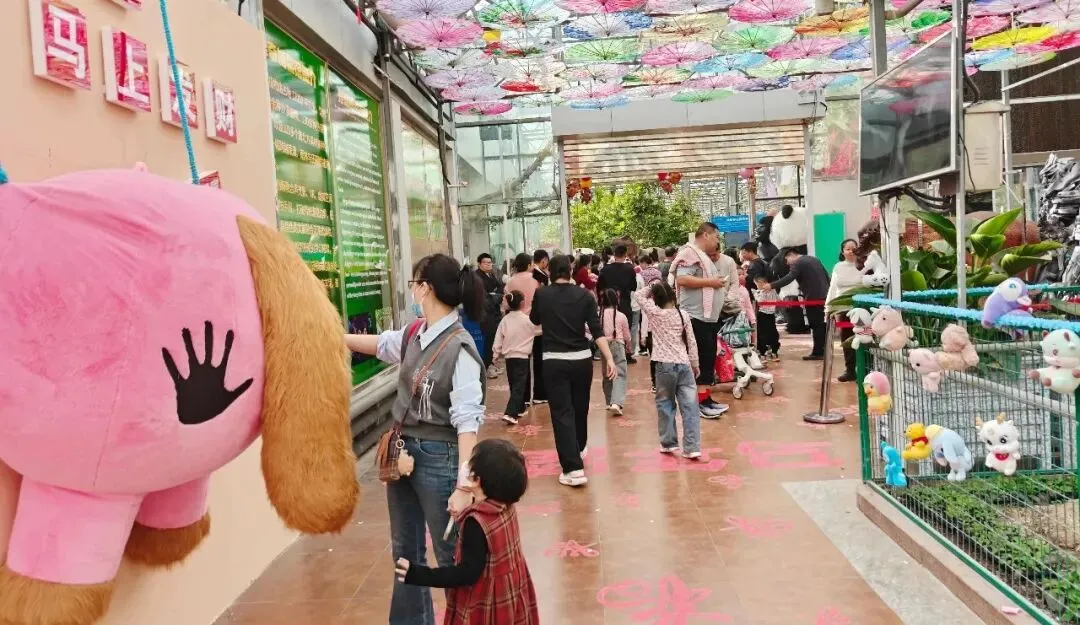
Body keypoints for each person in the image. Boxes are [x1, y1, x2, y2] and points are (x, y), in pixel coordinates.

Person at [344, 253, 486, 625]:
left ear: (426, 288)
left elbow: (467, 425)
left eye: (413, 284)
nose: (412, 291)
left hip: (441, 457)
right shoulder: (414, 334)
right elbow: (381, 344)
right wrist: (334, 337)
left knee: (450, 554)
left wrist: (464, 486)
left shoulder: (460, 348)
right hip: (402, 453)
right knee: (405, 552)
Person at [395, 438, 539, 625]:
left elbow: (466, 573)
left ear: (477, 480)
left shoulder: (475, 523)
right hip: (510, 593)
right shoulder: (506, 506)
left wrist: (417, 574)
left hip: (486, 604)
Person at [530, 255, 617, 487]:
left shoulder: (542, 294)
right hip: (582, 360)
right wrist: (609, 358)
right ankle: (578, 447)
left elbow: (535, 320)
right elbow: (596, 329)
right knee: (580, 408)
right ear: (570, 271)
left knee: (562, 413)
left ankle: (572, 468)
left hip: (554, 361)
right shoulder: (584, 295)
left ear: (550, 272)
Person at [634, 282, 701, 459]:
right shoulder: (683, 314)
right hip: (684, 364)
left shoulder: (655, 313)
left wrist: (652, 286)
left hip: (663, 365)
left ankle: (669, 443)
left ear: (656, 299)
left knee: (665, 404)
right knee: (690, 406)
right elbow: (691, 341)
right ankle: (692, 447)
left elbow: (638, 295)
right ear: (673, 296)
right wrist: (695, 363)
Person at [671, 222, 730, 418]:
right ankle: (698, 403)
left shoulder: (702, 255)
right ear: (705, 235)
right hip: (696, 318)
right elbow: (682, 279)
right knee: (701, 359)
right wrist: (711, 282)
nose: (717, 241)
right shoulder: (689, 253)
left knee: (708, 359)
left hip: (707, 318)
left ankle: (705, 399)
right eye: (716, 237)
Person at [765, 249, 832, 360]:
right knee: (821, 324)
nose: (787, 264)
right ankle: (823, 350)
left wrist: (771, 285)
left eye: (786, 261)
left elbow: (789, 278)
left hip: (813, 298)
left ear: (790, 255)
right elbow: (826, 276)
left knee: (816, 325)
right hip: (823, 296)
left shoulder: (798, 262)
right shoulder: (813, 259)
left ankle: (818, 352)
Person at [505, 253, 546, 405]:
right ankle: (540, 395)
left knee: (522, 362)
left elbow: (505, 304)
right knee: (539, 361)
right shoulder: (536, 280)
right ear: (529, 265)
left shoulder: (510, 282)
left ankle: (523, 397)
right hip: (536, 325)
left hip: (518, 327)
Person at [826, 239, 866, 382]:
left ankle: (866, 369)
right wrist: (829, 308)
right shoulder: (838, 267)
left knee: (864, 337)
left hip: (861, 307)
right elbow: (833, 288)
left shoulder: (865, 265)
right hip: (844, 308)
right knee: (847, 340)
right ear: (842, 252)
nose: (850, 251)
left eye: (853, 248)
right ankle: (850, 370)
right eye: (847, 249)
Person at [493, 291, 535, 425]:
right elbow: (538, 330)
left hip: (509, 358)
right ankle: (510, 414)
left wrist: (495, 354)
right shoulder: (527, 320)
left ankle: (520, 408)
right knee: (519, 385)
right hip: (522, 357)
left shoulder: (505, 320)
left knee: (514, 384)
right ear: (522, 303)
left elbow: (498, 337)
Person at [597, 243, 637, 361]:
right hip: (624, 302)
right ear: (625, 254)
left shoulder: (605, 269)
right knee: (625, 327)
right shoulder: (630, 269)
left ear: (614, 254)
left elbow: (600, 286)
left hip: (609, 303)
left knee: (607, 327)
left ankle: (607, 353)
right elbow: (633, 287)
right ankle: (627, 354)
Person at [739, 242, 779, 358]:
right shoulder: (763, 263)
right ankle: (773, 347)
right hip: (767, 301)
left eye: (743, 253)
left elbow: (754, 283)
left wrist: (746, 277)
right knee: (770, 325)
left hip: (759, 301)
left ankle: (763, 349)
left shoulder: (754, 266)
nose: (742, 255)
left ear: (750, 252)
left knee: (761, 326)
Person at [598, 288, 631, 415]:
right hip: (617, 344)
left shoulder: (599, 315)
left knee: (607, 374)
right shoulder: (621, 316)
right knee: (620, 373)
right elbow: (627, 335)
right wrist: (629, 346)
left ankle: (608, 401)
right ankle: (616, 403)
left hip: (603, 346)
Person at [477, 253, 503, 375]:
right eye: (485, 262)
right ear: (479, 264)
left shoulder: (491, 275)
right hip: (485, 313)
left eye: (490, 262)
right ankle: (486, 367)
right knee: (487, 340)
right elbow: (484, 297)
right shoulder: (477, 277)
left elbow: (500, 288)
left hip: (494, 311)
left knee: (493, 339)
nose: (488, 264)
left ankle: (492, 364)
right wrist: (494, 295)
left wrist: (495, 294)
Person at [751, 276, 781, 361]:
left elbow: (761, 300)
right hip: (765, 314)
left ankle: (770, 352)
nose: (757, 286)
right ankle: (766, 352)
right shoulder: (764, 291)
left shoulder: (766, 291)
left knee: (769, 333)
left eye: (757, 284)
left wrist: (757, 293)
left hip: (767, 314)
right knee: (766, 333)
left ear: (761, 283)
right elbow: (778, 300)